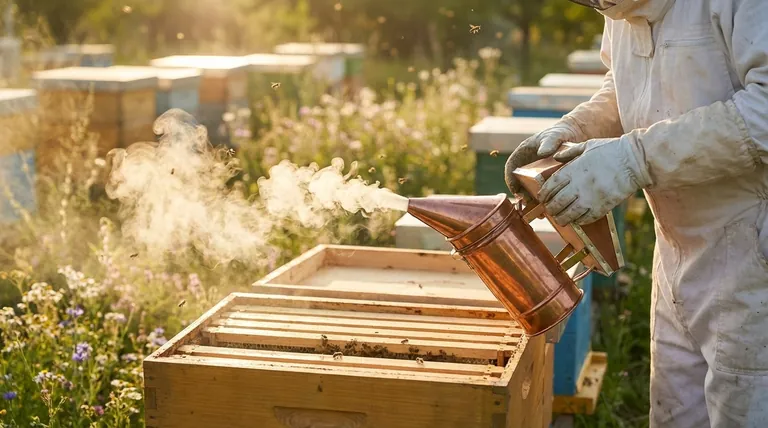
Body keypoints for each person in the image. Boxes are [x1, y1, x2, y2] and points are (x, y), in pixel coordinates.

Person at [504, 0, 768, 426]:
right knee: (675, 414)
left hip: (754, 257)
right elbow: (625, 85)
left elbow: (764, 113)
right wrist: (574, 129)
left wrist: (633, 160)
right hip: (676, 252)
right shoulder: (620, 12)